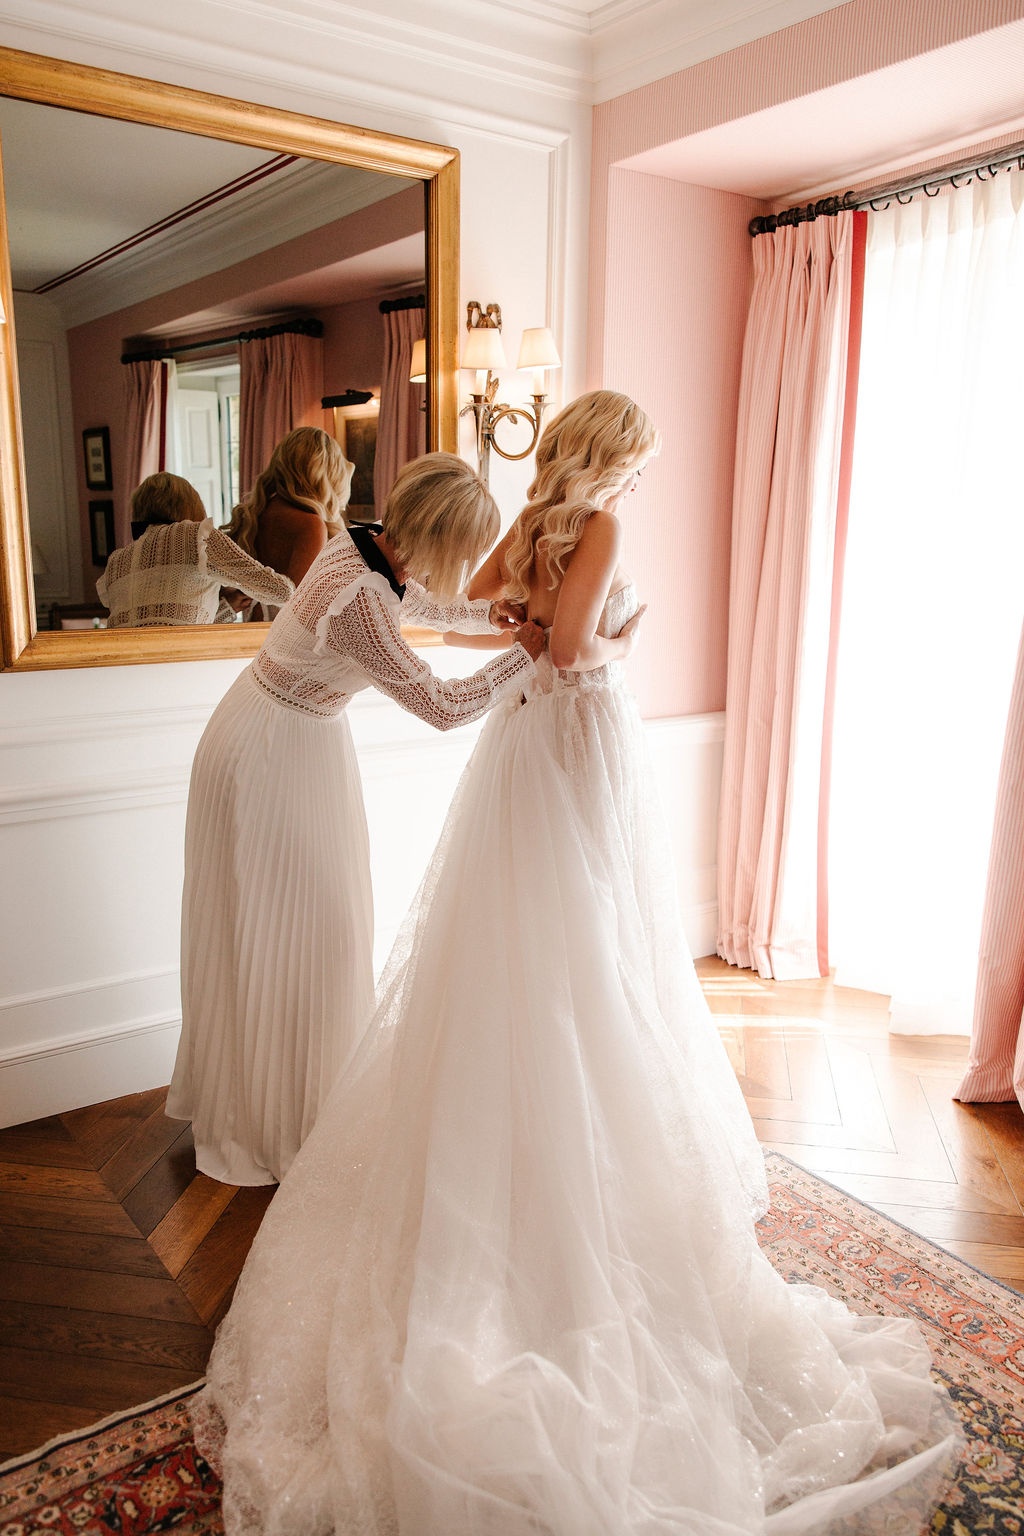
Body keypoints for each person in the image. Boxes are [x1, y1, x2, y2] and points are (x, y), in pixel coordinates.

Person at [193, 393, 958, 1534]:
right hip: (576, 733)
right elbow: (561, 648)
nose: (641, 483)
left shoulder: (534, 520)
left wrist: (533, 632)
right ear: (615, 461)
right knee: (593, 950)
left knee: (530, 947)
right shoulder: (595, 528)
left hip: (518, 753)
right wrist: (620, 636)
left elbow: (485, 607)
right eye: (639, 464)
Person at [166, 452, 544, 1187]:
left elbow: (422, 604)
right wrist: (522, 656)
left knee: (296, 931)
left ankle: (283, 1104)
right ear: (438, 535)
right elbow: (441, 706)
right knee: (303, 934)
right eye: (463, 551)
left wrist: (488, 618)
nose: (465, 565)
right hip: (271, 753)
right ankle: (280, 1124)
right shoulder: (360, 597)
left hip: (288, 735)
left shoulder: (363, 542)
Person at [97, 472, 293, 627]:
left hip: (124, 671)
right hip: (182, 668)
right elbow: (281, 592)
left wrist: (228, 608)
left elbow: (160, 630)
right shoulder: (196, 536)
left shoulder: (117, 560)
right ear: (191, 505)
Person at [226, 426, 353, 613]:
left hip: (253, 630)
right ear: (325, 473)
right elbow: (300, 608)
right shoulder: (310, 525)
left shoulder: (256, 514)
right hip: (287, 638)